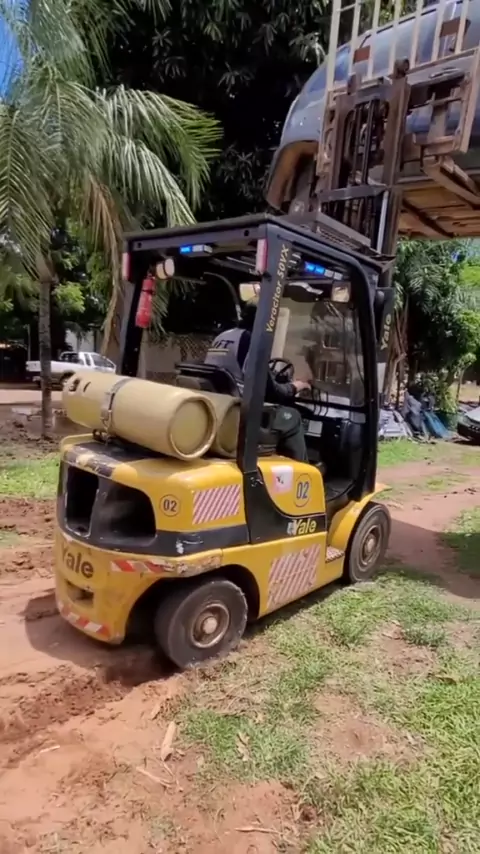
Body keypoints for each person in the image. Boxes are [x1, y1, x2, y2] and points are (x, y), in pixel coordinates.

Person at [204, 299, 311, 461]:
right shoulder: (251, 341)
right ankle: (303, 471)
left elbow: (240, 369)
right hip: (241, 414)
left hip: (221, 406)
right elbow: (270, 391)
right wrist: (296, 386)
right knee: (292, 417)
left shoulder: (223, 336)